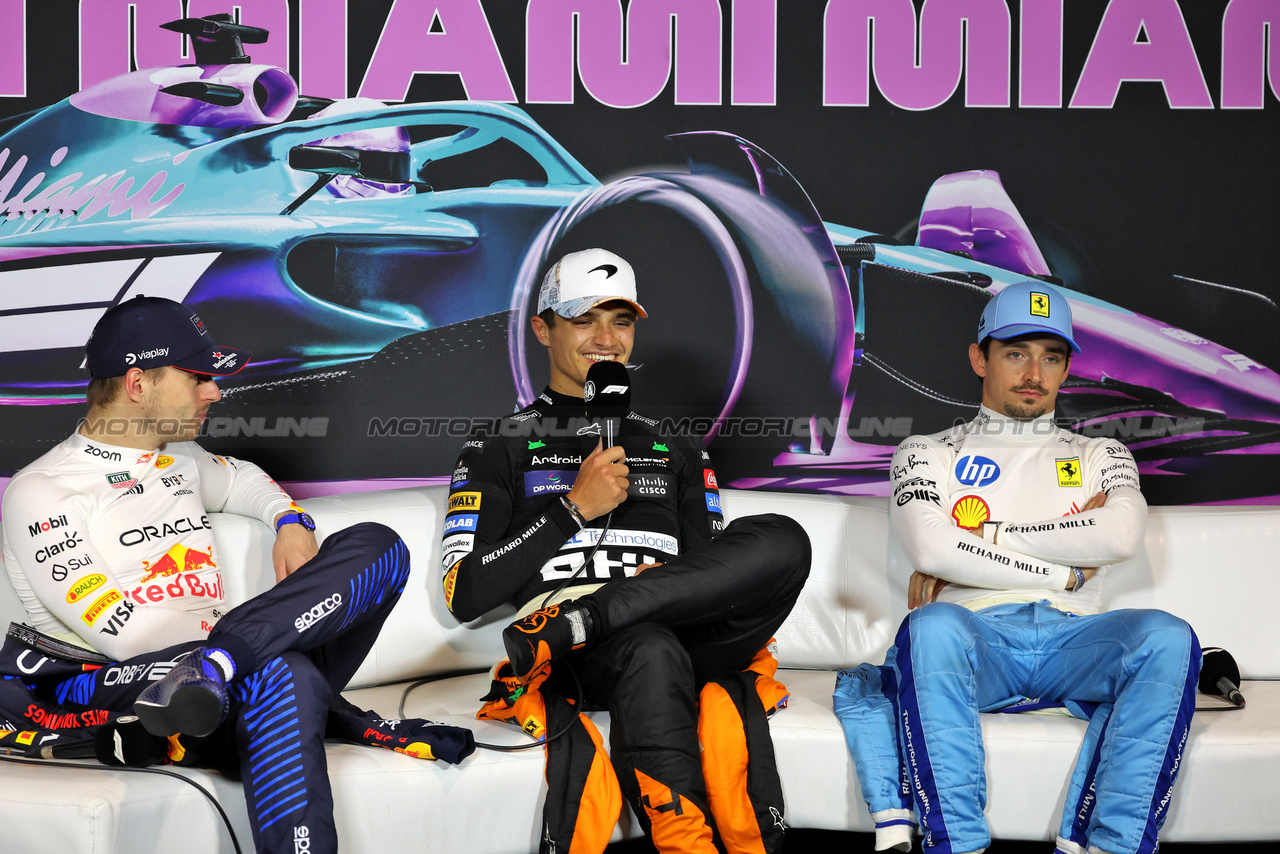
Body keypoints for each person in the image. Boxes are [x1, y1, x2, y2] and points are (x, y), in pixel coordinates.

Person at [1, 296, 472, 854]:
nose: (215, 393)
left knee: (380, 546)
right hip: (142, 692)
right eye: (198, 377)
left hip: (228, 667)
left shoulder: (181, 457)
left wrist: (290, 521)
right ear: (136, 383)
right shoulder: (43, 491)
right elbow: (124, 633)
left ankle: (224, 662)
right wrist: (260, 643)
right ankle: (226, 665)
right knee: (286, 674)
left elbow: (245, 480)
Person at [443, 248, 812, 852]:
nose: (606, 338)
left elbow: (715, 572)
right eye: (585, 318)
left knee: (785, 539)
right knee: (648, 643)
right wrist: (572, 511)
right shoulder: (499, 444)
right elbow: (465, 593)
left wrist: (653, 590)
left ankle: (605, 610)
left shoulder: (679, 446)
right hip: (583, 653)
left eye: (621, 320)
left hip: (679, 626)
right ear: (543, 328)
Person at [833, 281, 1200, 854]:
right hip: (977, 642)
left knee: (1168, 637)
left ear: (1066, 369)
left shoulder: (1101, 453)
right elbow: (931, 552)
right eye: (1015, 353)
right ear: (980, 357)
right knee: (930, 628)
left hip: (1074, 640)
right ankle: (958, 845)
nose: (1034, 372)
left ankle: (1114, 848)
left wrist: (987, 540)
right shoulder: (928, 451)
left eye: (1051, 357)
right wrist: (1065, 569)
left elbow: (1121, 534)